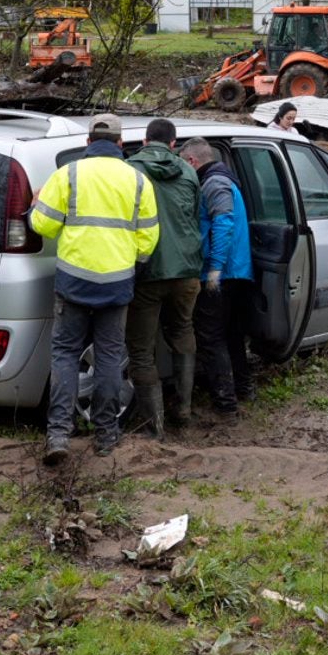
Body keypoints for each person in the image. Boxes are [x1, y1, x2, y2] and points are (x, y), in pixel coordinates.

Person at [28, 113, 158, 464]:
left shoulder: (67, 174)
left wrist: (35, 205)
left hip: (73, 283)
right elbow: (148, 240)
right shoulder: (138, 181)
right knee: (109, 359)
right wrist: (130, 261)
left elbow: (43, 226)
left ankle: (58, 435)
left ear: (88, 142)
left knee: (66, 355)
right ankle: (106, 435)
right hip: (116, 285)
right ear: (119, 144)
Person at [124, 118, 203, 438]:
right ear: (174, 144)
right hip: (186, 270)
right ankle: (183, 411)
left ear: (145, 141)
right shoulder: (188, 171)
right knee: (182, 332)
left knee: (141, 349)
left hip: (148, 270)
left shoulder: (129, 170)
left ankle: (152, 426)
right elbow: (194, 216)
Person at [183, 138, 255, 414]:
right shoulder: (223, 178)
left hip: (223, 275)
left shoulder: (214, 183)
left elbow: (223, 223)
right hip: (237, 272)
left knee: (212, 338)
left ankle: (225, 404)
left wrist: (214, 268)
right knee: (233, 335)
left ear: (192, 162)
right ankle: (244, 389)